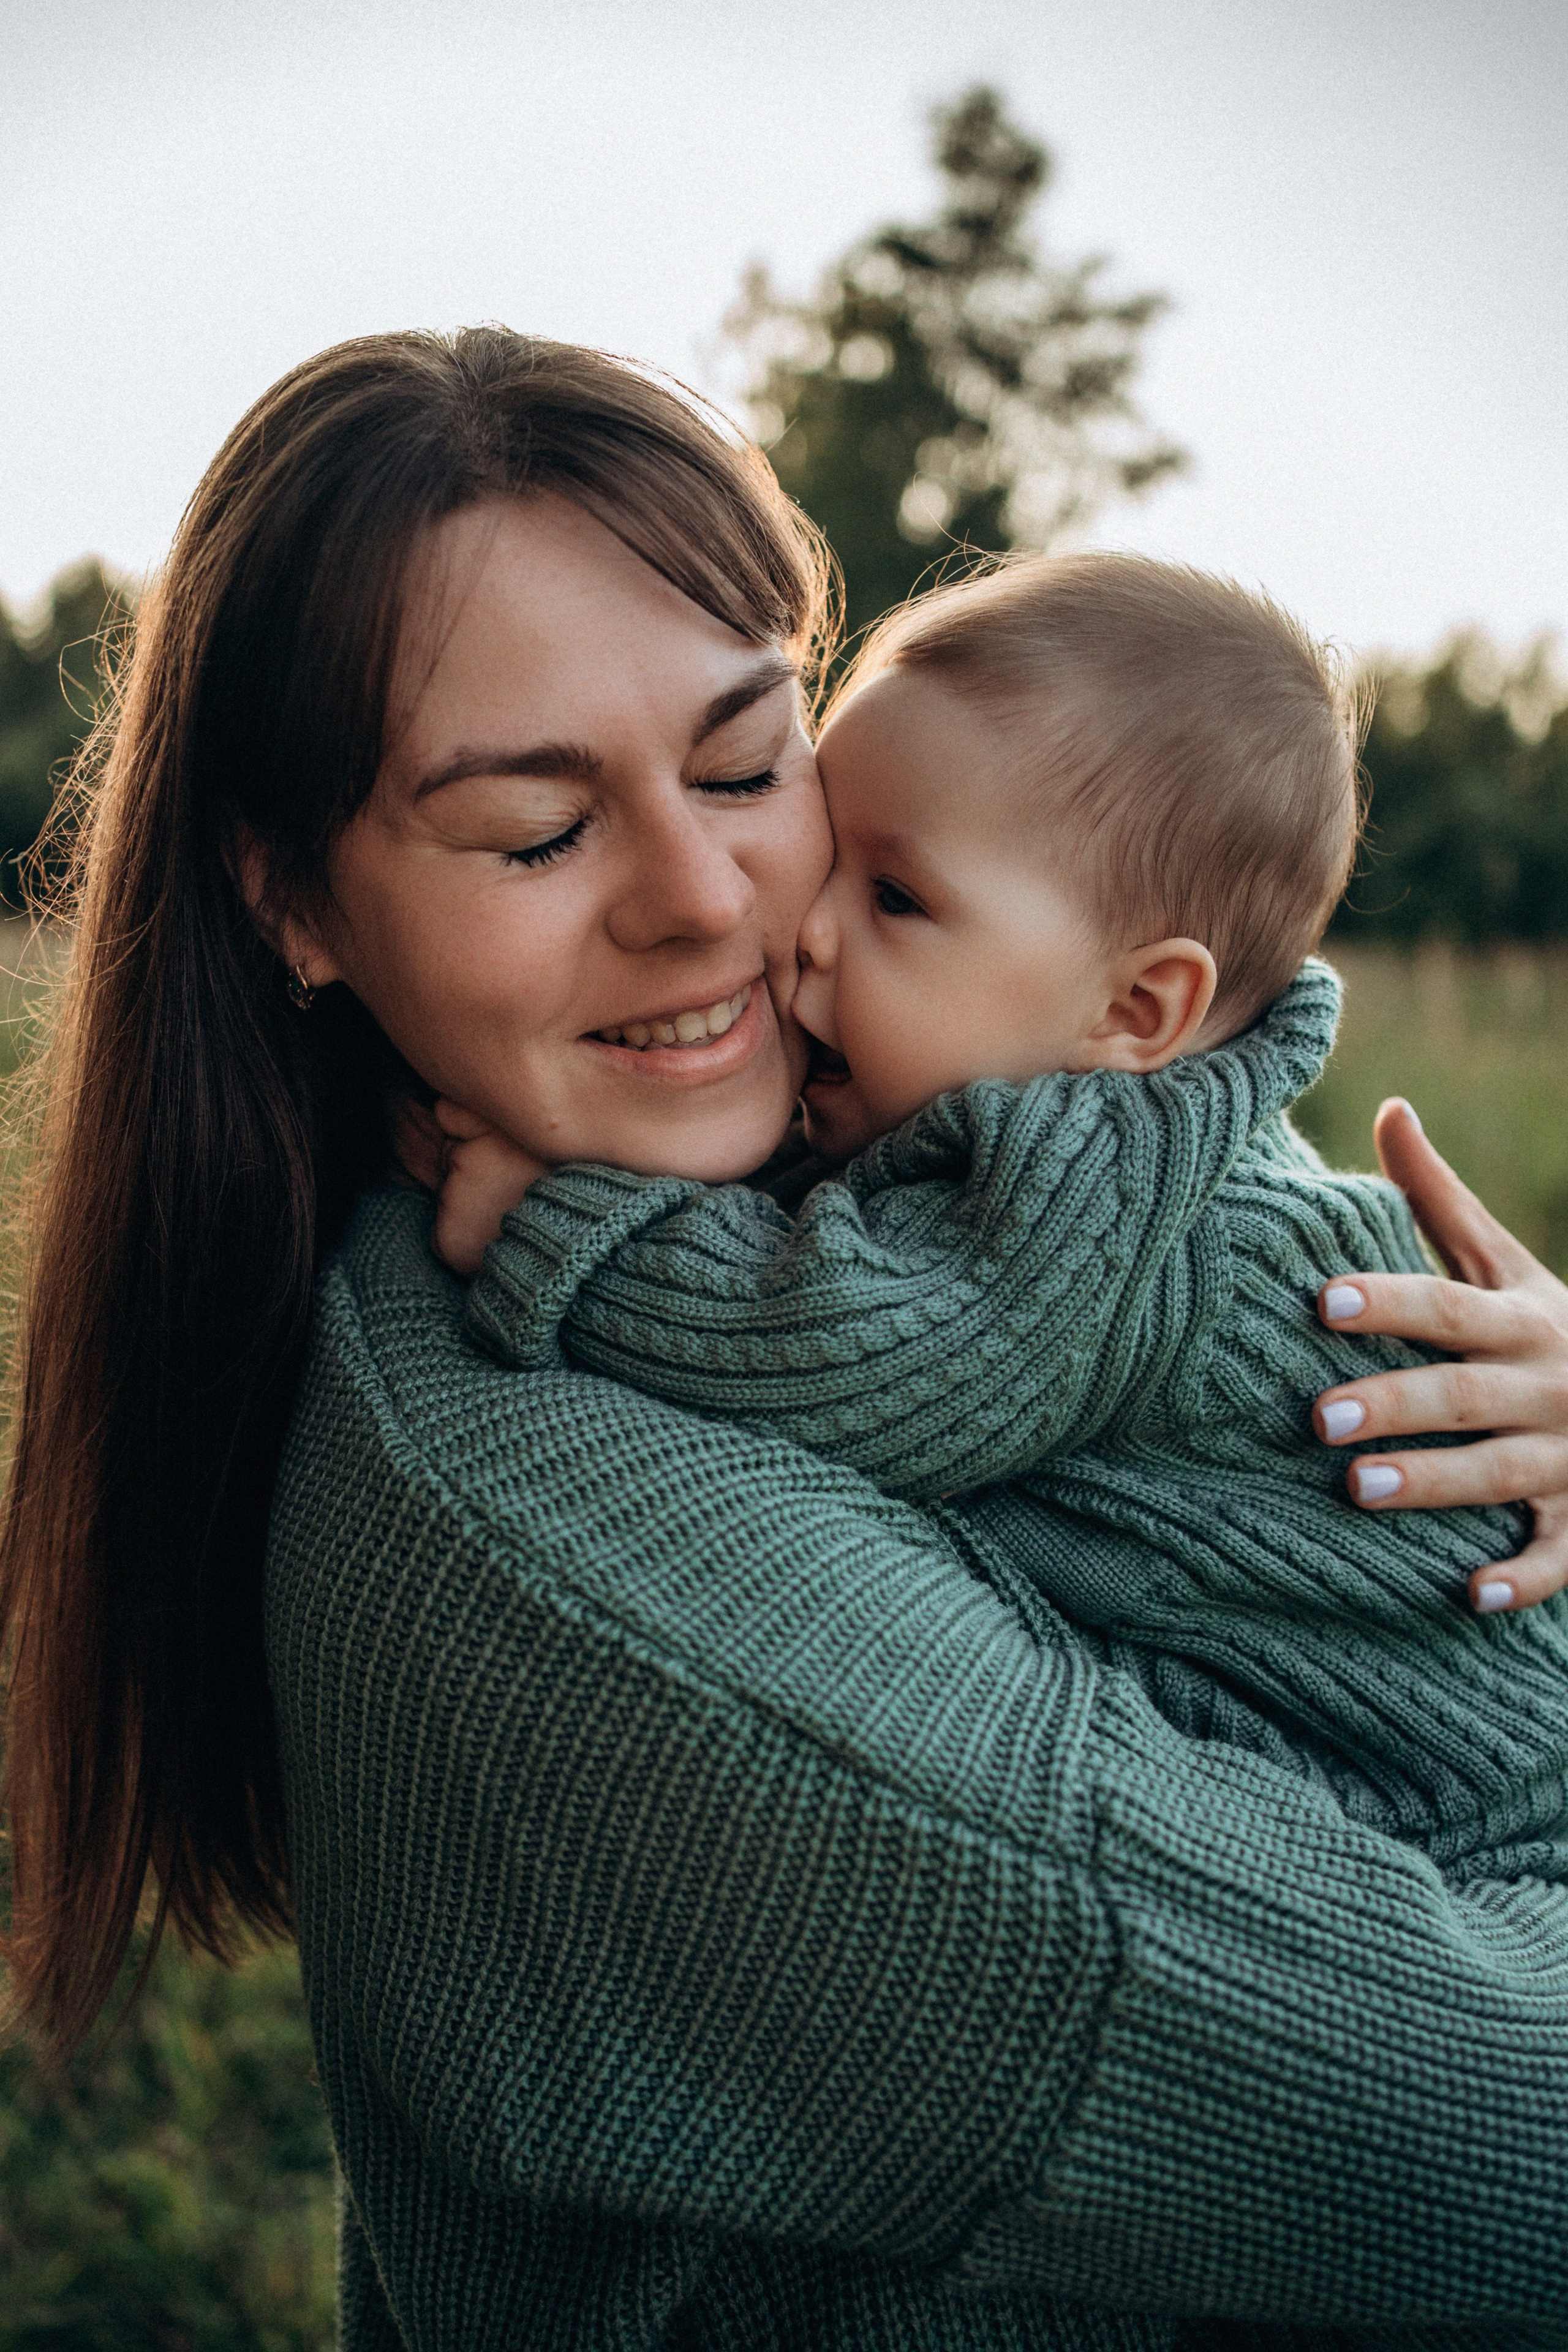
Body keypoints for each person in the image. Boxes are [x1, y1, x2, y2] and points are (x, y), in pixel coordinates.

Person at [4, 329, 1568, 2352]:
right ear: (293, 900)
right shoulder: (557, 1551)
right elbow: (1506, 2156)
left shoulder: (841, 1185)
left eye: (749, 765)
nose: (709, 900)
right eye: (533, 830)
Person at [431, 553, 1568, 1879]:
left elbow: (865, 1356)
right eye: (832, 861)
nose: (802, 932)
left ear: (1132, 1012)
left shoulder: (1103, 1180)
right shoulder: (1070, 1114)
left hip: (1473, 1810)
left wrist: (567, 1227)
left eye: (896, 897)